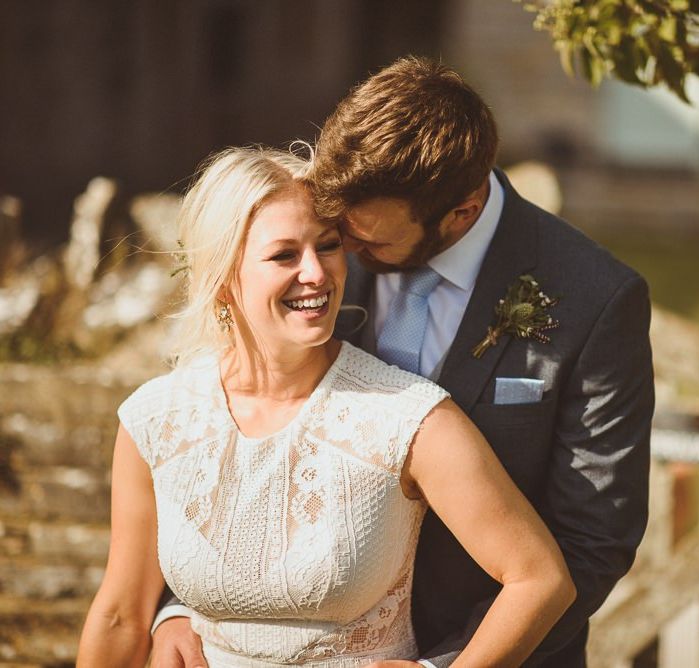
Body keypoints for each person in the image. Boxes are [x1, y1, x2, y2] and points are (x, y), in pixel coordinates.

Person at [151, 57, 654, 667]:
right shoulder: (326, 236)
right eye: (342, 236)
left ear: (461, 213)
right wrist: (180, 605)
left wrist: (443, 665)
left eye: (369, 243)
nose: (341, 256)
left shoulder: (595, 297)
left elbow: (591, 540)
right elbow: (241, 416)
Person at [77, 146, 575, 668]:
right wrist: (170, 617)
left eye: (328, 246)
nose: (315, 273)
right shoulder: (155, 419)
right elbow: (120, 615)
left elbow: (539, 578)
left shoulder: (406, 417)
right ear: (224, 279)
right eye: (284, 255)